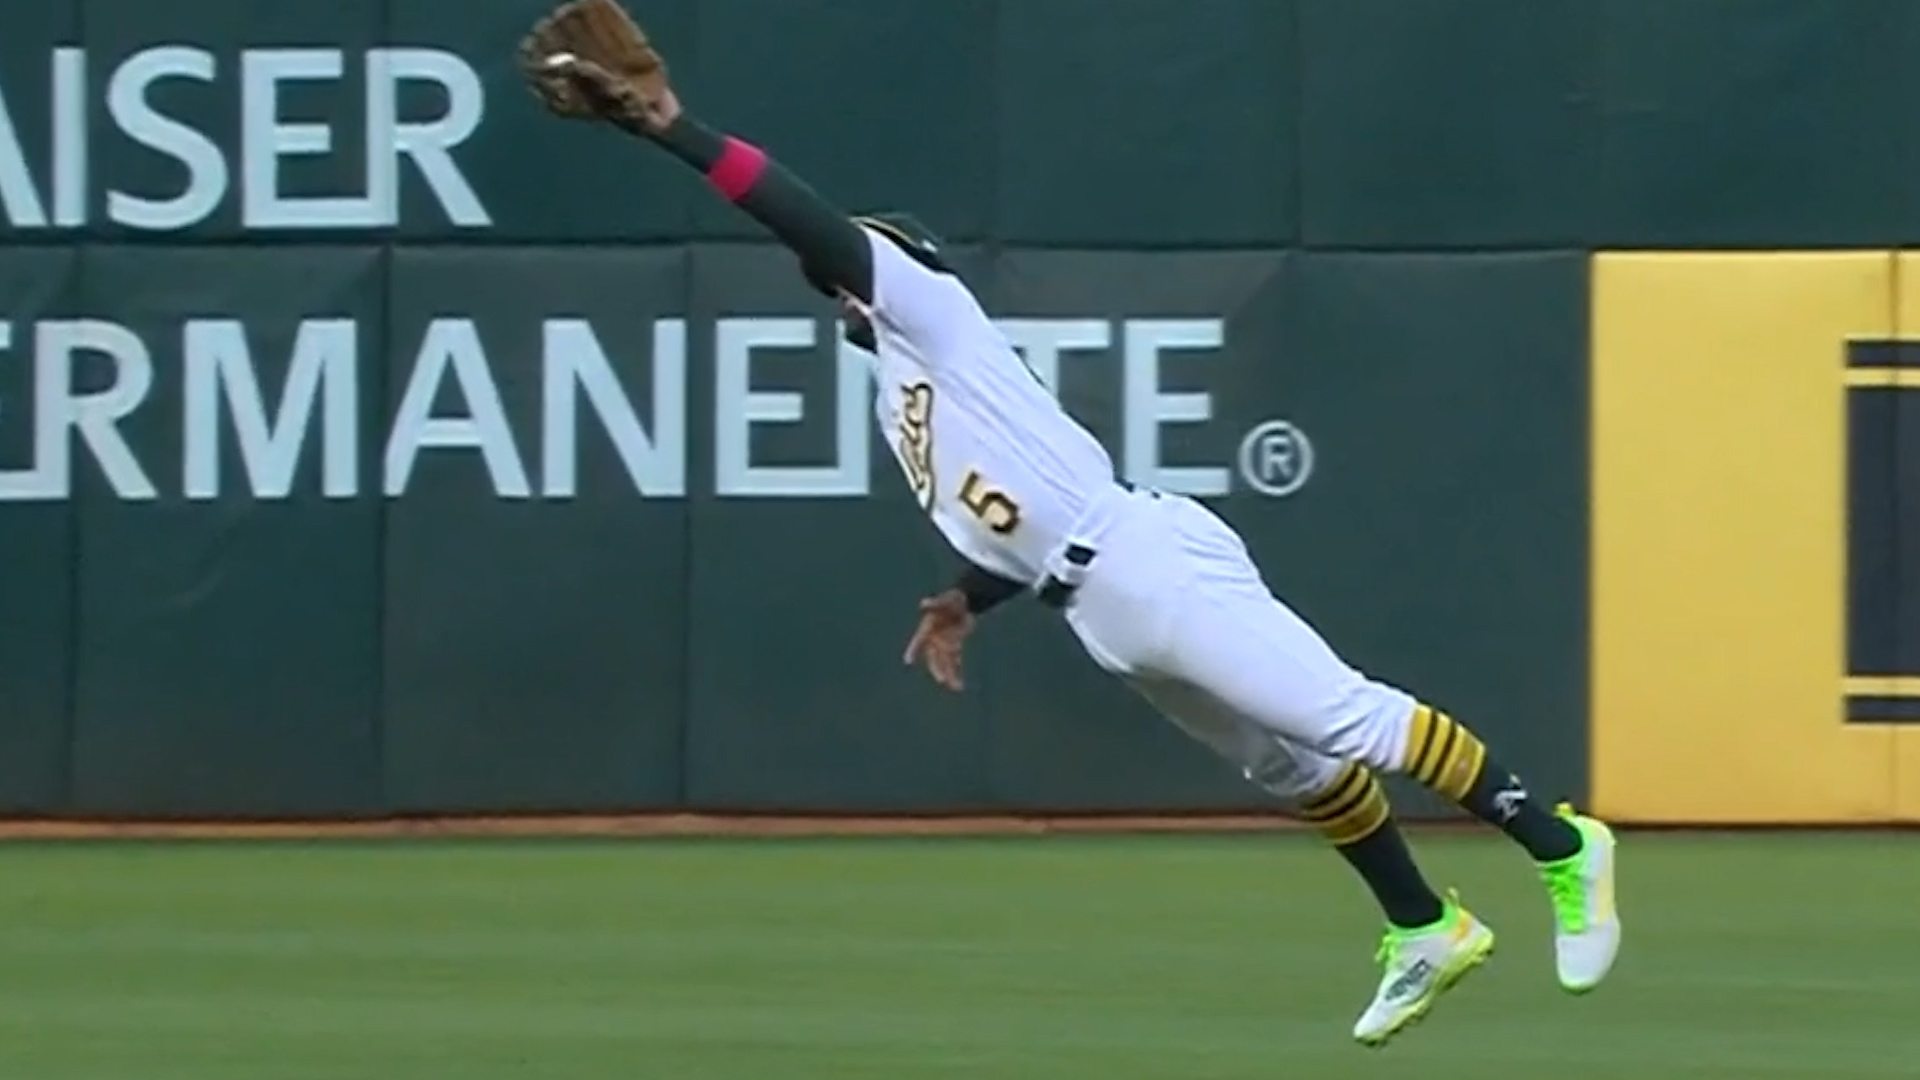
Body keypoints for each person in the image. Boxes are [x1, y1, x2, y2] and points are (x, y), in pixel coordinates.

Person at [517, 0, 1620, 1047]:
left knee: (1347, 720)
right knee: (1291, 771)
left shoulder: (931, 313)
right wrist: (965, 596)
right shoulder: (900, 388)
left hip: (1147, 561)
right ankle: (1427, 927)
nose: (837, 289)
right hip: (1093, 602)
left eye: (847, 276)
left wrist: (673, 132)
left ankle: (1564, 846)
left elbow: (799, 217)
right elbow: (1013, 521)